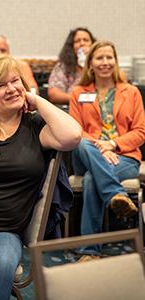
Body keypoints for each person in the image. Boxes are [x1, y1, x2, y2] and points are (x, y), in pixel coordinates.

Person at [0, 54, 81, 299]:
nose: (11, 89)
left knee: (1, 264)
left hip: (2, 231)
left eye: (15, 81)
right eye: (1, 85)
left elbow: (72, 136)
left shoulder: (33, 126)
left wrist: (37, 100)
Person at [69, 40, 145, 260]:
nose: (105, 62)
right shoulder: (78, 93)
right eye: (99, 58)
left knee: (93, 179)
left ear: (116, 61)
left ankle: (89, 251)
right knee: (80, 141)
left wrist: (112, 144)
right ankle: (115, 194)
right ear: (90, 63)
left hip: (125, 158)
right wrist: (100, 148)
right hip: (86, 154)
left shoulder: (131, 92)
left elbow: (141, 132)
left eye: (109, 57)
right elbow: (75, 130)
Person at [48, 27, 96, 105]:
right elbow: (54, 95)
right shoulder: (63, 66)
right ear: (71, 46)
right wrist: (80, 99)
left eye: (86, 40)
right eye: (77, 41)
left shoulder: (101, 65)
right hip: (70, 108)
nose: (82, 43)